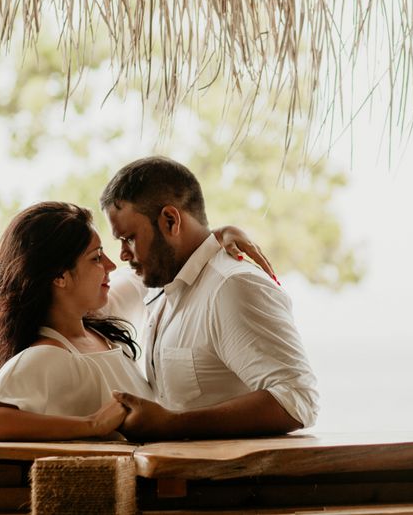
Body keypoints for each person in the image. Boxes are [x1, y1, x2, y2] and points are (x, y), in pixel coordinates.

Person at [0, 201, 273, 442]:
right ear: (60, 277)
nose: (111, 265)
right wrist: (91, 425)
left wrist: (223, 233)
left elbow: (157, 270)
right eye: (96, 258)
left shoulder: (98, 326)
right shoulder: (45, 357)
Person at [102, 156, 319, 441]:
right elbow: (83, 301)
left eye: (129, 238)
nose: (122, 255)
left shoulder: (232, 286)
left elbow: (297, 400)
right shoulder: (162, 285)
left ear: (170, 220)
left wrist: (172, 424)